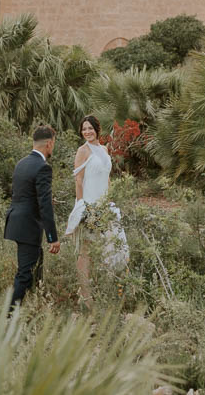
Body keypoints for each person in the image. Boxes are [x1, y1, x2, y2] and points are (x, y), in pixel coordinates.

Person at [64, 115, 129, 306]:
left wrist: (109, 200)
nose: (87, 132)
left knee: (115, 249)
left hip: (104, 206)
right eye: (84, 129)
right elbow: (78, 180)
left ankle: (112, 293)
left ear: (97, 129)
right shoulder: (82, 151)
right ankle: (86, 296)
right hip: (89, 206)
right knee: (87, 251)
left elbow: (107, 177)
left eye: (90, 128)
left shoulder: (103, 149)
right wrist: (81, 206)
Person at [4, 125, 60, 307]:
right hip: (28, 225)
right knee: (25, 273)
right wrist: (52, 237)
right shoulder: (43, 167)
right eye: (54, 144)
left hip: (17, 222)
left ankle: (36, 305)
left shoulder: (21, 163)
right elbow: (44, 206)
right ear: (49, 144)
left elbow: (25, 194)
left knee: (36, 264)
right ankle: (9, 317)